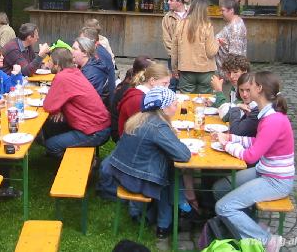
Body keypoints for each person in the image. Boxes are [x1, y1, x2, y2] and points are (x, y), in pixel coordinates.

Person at [212, 71, 294, 252]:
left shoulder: (273, 119)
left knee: (224, 207)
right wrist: (230, 137)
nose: (247, 88)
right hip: (265, 172)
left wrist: (226, 145)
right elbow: (257, 142)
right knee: (220, 188)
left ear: (259, 89)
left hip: (275, 181)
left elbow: (251, 156)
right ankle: (250, 228)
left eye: (252, 84)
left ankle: (267, 240)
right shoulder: (267, 114)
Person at [107, 87, 192, 238]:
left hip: (121, 172)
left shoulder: (140, 117)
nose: (176, 107)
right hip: (135, 179)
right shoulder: (157, 126)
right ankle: (166, 223)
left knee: (170, 169)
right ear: (164, 108)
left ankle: (178, 209)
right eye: (174, 104)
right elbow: (184, 155)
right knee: (170, 173)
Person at [42, 48, 111, 157]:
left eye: (50, 61)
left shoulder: (62, 77)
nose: (47, 63)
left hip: (95, 132)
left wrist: (57, 108)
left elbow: (48, 106)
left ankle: (79, 166)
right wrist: (59, 109)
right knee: (51, 125)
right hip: (99, 125)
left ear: (57, 63)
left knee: (51, 145)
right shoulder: (75, 72)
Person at [171, 0, 219, 93]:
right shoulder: (207, 26)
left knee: (186, 102)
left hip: (185, 69)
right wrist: (217, 43)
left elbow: (174, 50)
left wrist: (174, 68)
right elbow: (210, 52)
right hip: (206, 71)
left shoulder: (181, 24)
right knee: (204, 103)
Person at [116, 62, 170, 137]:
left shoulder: (145, 96)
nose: (167, 88)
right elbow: (144, 130)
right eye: (164, 84)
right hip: (132, 141)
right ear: (152, 81)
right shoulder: (138, 100)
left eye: (168, 84)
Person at [79, 27, 116, 104]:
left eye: (82, 42)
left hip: (103, 102)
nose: (79, 44)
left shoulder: (98, 55)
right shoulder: (97, 49)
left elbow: (90, 94)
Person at [161, 0, 187, 90]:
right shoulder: (167, 18)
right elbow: (166, 39)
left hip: (189, 57)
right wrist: (174, 54)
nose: (168, 2)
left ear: (179, 2)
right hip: (173, 57)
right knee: (172, 83)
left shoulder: (191, 15)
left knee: (187, 84)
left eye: (171, 0)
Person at [216, 0, 247, 77]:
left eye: (223, 10)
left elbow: (235, 55)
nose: (221, 13)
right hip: (226, 73)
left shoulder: (236, 28)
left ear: (231, 10)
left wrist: (231, 75)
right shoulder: (232, 25)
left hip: (230, 75)